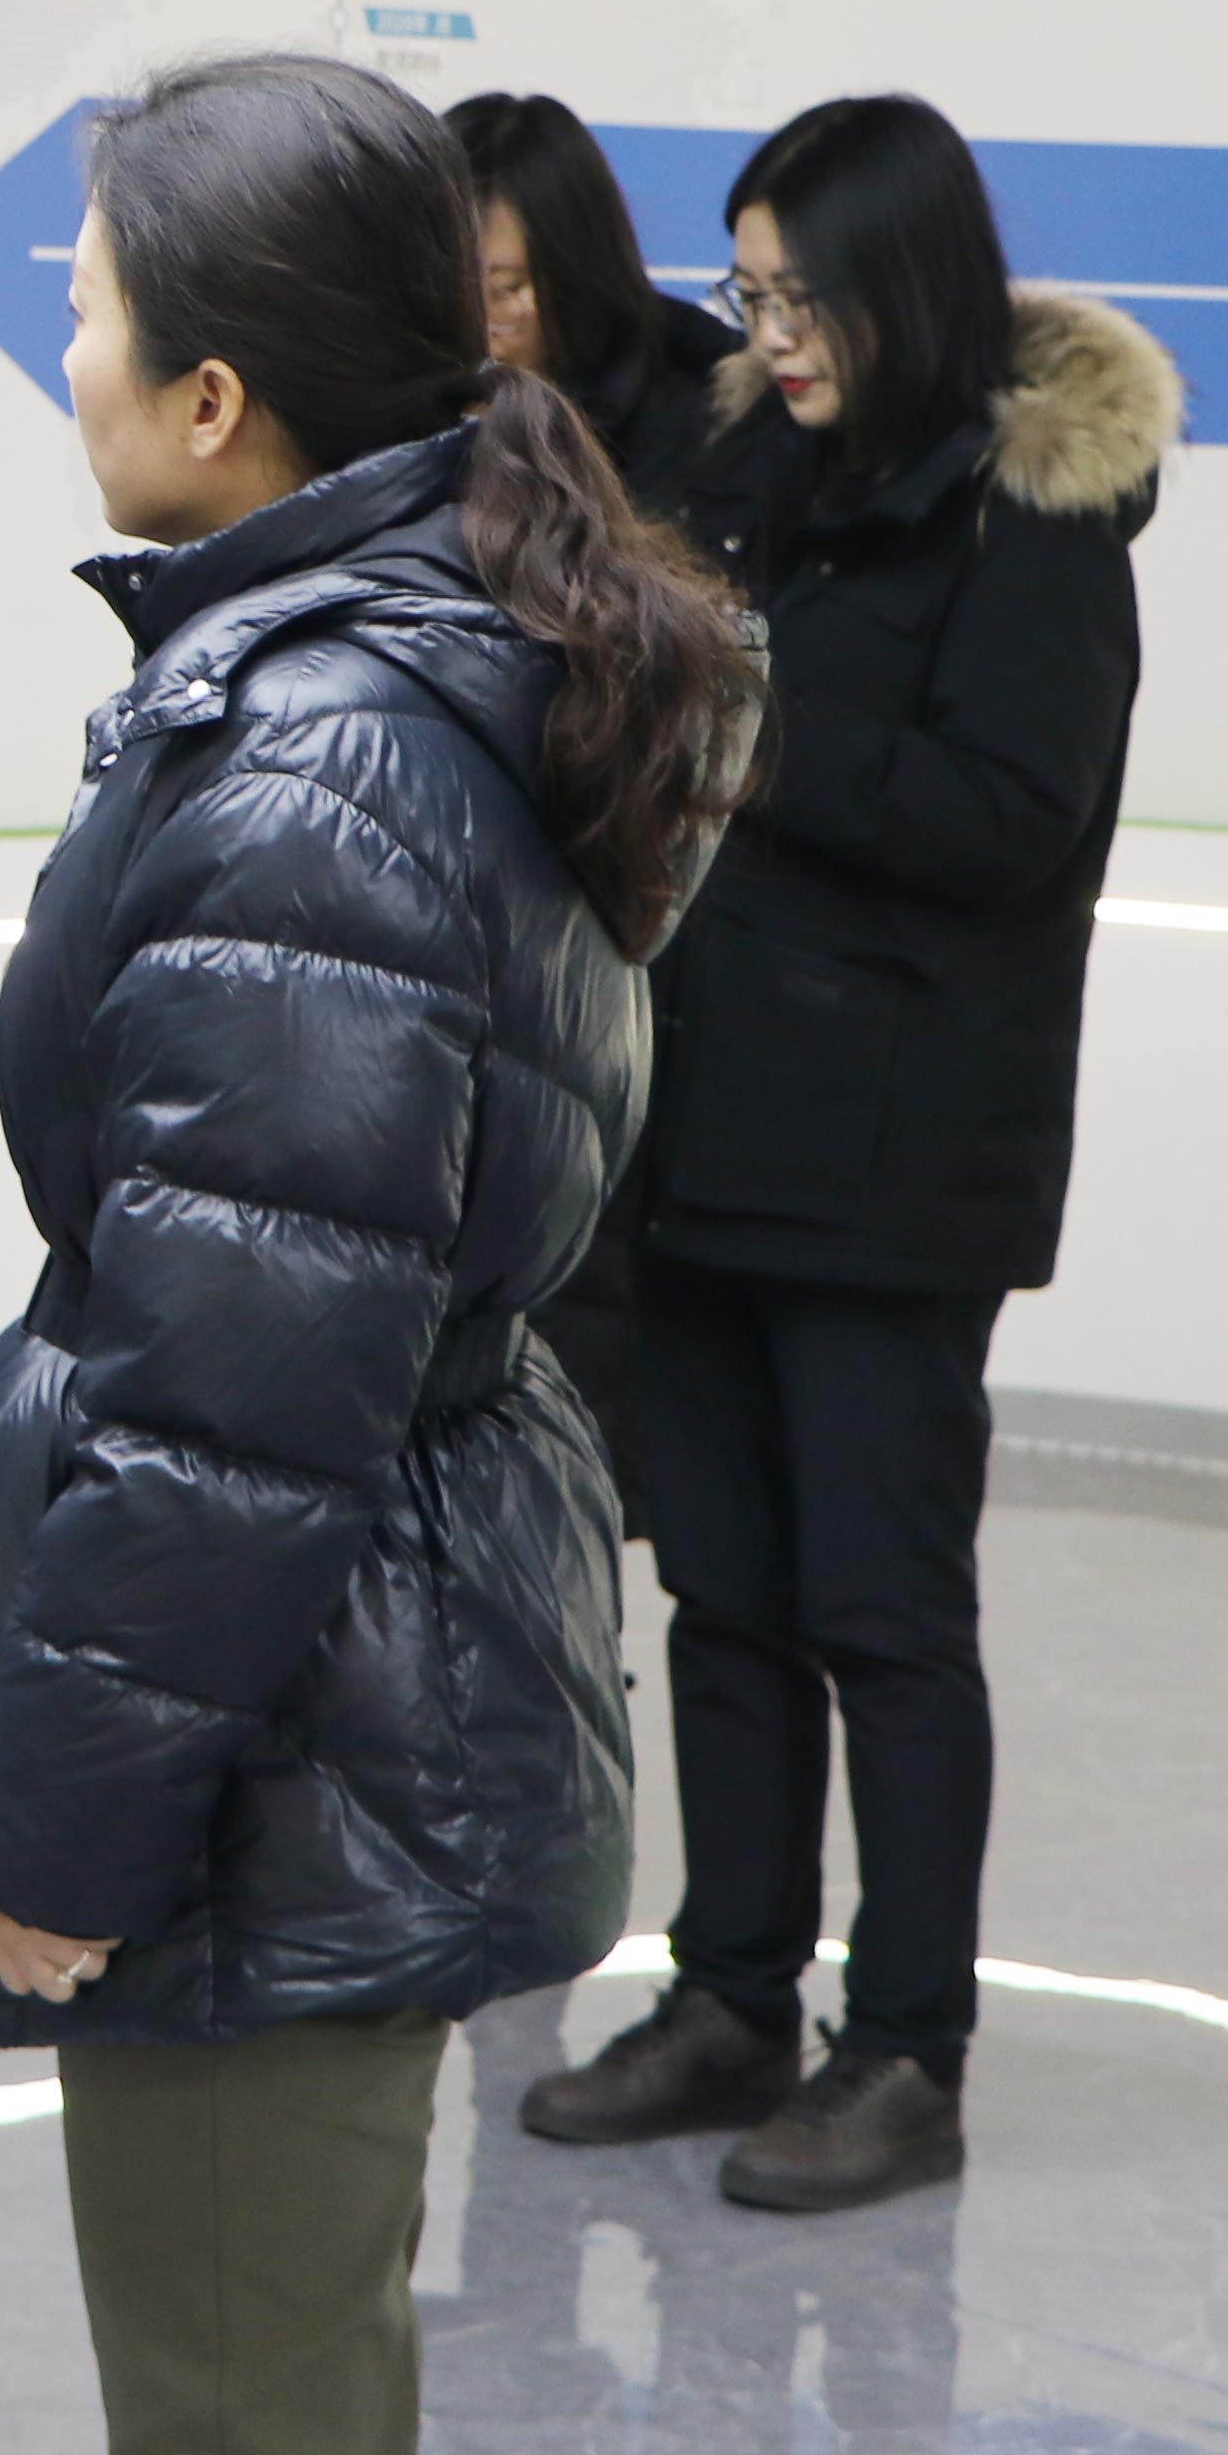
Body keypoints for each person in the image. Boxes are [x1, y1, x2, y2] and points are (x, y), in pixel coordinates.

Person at [0, 50, 755, 2455]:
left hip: (288, 1748)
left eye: (85, 312)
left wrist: (71, 1832)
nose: (66, 353)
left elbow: (242, 1402)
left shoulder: (314, 759)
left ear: (218, 401)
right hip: (369, 1677)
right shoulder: (399, 663)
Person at [518, 94, 1174, 2215]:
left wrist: (753, 722)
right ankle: (729, 1996)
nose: (770, 330)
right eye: (754, 287)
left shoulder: (1030, 522)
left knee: (884, 1613)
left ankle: (907, 2046)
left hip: (901, 1163)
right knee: (724, 1592)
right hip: (705, 1124)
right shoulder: (739, 469)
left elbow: (1011, 825)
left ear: (903, 284)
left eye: (804, 294)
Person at [444, 88, 743, 1516]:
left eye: (506, 287)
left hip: (640, 985)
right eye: (457, 287)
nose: (483, 322)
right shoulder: (415, 431)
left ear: (573, 270)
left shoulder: (713, 441)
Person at [448, 90, 738, 504]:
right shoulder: (383, 419)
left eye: (544, 282)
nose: (526, 307)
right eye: (501, 289)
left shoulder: (677, 422)